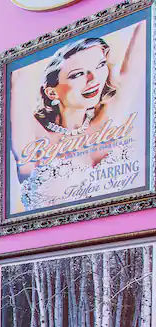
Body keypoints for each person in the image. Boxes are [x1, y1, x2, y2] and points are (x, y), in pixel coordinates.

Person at [10, 26, 141, 212]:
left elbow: (137, 59)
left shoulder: (109, 117)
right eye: (77, 74)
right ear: (51, 92)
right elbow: (15, 78)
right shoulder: (33, 136)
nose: (93, 79)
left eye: (99, 65)